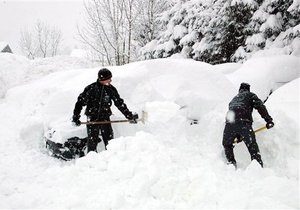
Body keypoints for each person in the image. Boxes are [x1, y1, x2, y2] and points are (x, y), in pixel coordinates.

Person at [72, 68, 138, 152]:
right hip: (92, 119)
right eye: (108, 79)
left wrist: (129, 116)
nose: (110, 80)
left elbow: (119, 103)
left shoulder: (111, 89)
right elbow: (80, 103)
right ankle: (91, 161)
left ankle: (111, 159)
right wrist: (75, 117)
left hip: (105, 119)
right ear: (102, 79)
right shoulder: (91, 89)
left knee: (111, 143)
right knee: (92, 144)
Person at [222, 83, 274, 168]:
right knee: (252, 146)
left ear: (239, 90)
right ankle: (257, 167)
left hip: (229, 124)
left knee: (227, 144)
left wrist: (237, 134)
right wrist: (268, 120)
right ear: (248, 90)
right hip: (244, 123)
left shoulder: (233, 99)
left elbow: (235, 113)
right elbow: (260, 106)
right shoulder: (250, 95)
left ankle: (231, 165)